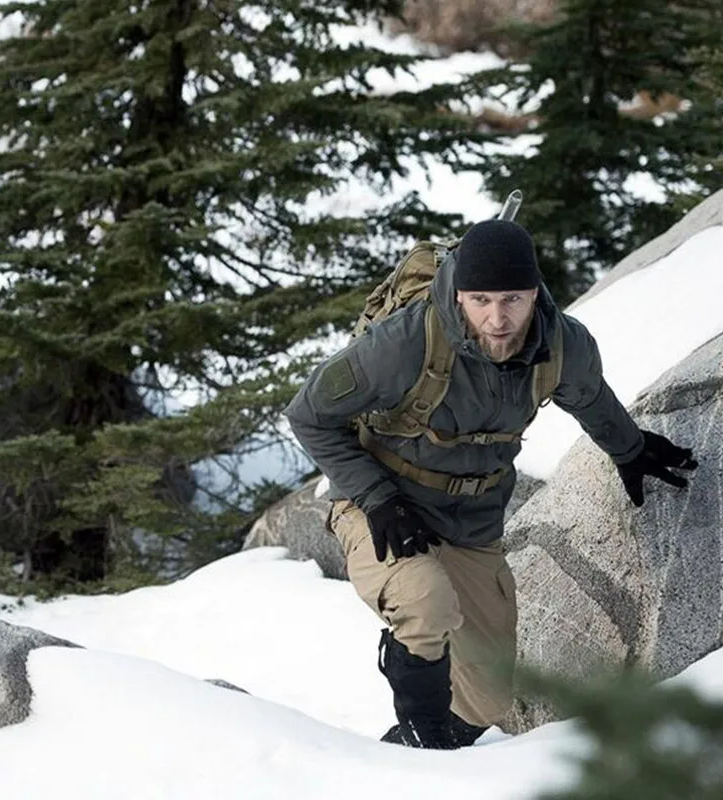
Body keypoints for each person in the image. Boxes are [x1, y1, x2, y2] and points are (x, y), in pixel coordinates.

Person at [283, 219, 698, 749]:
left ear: (534, 294)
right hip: (384, 507)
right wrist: (376, 496)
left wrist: (631, 451)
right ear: (458, 295)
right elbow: (308, 415)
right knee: (424, 600)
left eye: (513, 300)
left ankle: (433, 740)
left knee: (490, 696)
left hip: (470, 521)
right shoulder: (406, 343)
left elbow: (590, 398)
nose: (497, 319)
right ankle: (416, 750)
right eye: (479, 299)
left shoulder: (563, 345)